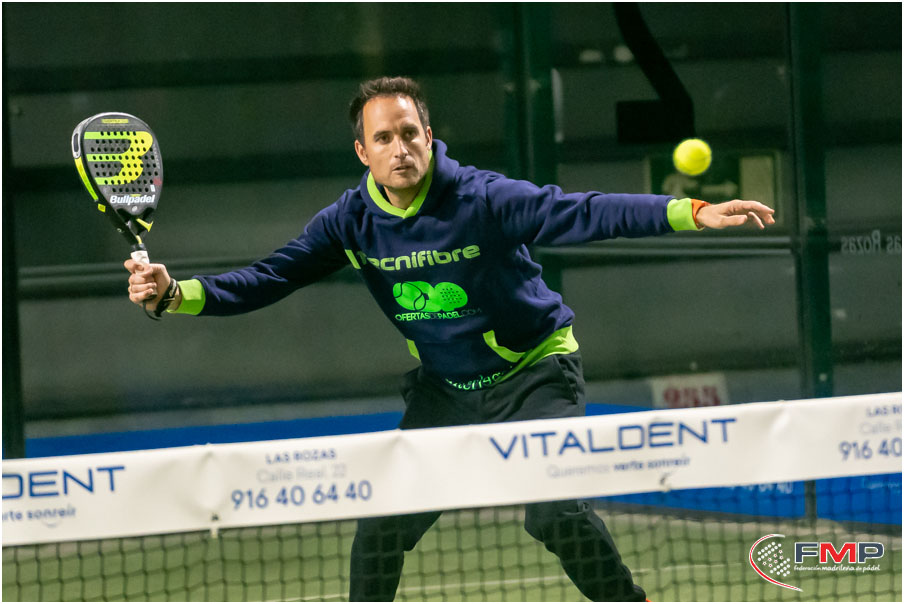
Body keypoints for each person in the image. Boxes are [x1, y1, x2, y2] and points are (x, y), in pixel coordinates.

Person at [126, 76, 775, 601]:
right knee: (382, 527)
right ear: (363, 152)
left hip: (535, 376)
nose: (400, 148)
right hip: (447, 392)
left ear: (429, 137)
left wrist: (691, 210)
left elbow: (580, 210)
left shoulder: (481, 199)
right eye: (384, 138)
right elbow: (271, 276)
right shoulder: (349, 223)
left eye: (409, 133)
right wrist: (175, 293)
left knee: (552, 513)